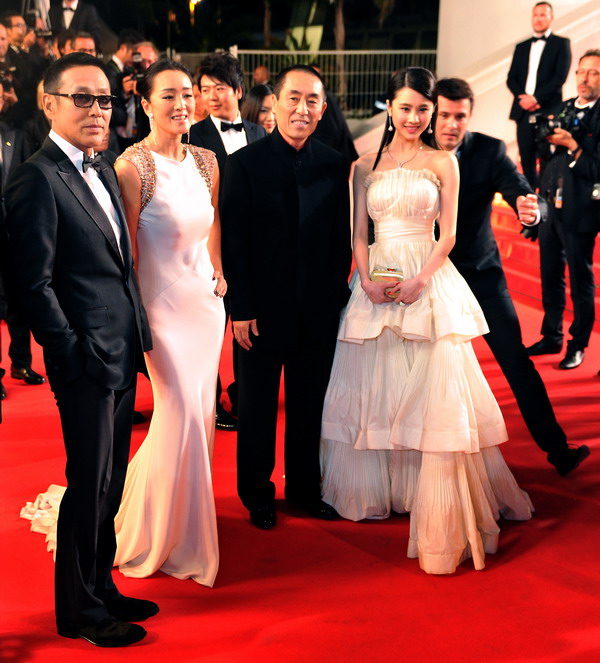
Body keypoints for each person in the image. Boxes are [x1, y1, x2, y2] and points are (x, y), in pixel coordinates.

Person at [320, 67, 533, 575]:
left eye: (423, 109)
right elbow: (358, 233)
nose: (414, 117)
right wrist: (365, 278)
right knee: (377, 380)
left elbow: (449, 233)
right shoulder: (364, 165)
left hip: (428, 276)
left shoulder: (443, 161)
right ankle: (386, 488)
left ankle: (429, 492)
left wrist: (420, 280)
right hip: (375, 279)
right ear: (389, 108)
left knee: (433, 384)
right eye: (405, 107)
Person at [4, 52, 156, 647]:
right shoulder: (36, 178)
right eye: (83, 98)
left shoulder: (104, 168)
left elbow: (118, 265)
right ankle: (79, 612)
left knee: (111, 482)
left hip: (120, 350)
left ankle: (102, 587)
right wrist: (69, 352)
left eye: (105, 99)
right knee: (87, 483)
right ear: (49, 104)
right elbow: (32, 283)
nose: (98, 110)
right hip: (85, 358)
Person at [434, 77, 589, 476]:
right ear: (433, 113)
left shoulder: (488, 150)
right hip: (428, 280)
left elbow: (519, 186)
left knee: (516, 362)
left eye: (460, 117)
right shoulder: (414, 150)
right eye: (444, 115)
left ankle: (559, 450)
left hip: (481, 274)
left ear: (469, 116)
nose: (451, 124)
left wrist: (528, 206)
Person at [221, 64, 351, 530]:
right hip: (259, 311)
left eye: (312, 100)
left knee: (308, 405)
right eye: (293, 98)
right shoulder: (244, 163)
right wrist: (241, 307)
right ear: (274, 103)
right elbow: (233, 241)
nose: (302, 108)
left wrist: (335, 296)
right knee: (256, 408)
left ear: (323, 108)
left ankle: (304, 489)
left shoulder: (335, 164)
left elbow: (340, 239)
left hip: (317, 310)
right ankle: (257, 493)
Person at [112, 60, 226, 586]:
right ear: (146, 103)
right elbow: (127, 249)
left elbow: (214, 222)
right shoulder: (132, 166)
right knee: (177, 410)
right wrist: (135, 313)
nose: (182, 104)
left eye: (187, 94)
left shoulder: (207, 161)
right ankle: (158, 529)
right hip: (159, 309)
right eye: (169, 96)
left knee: (201, 415)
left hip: (205, 306)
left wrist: (219, 270)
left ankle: (187, 520)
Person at [190, 52, 266, 431]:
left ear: (238, 90)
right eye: (204, 90)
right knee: (209, 332)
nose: (211, 97)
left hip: (254, 251)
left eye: (219, 88)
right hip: (211, 248)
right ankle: (210, 403)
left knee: (250, 330)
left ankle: (243, 396)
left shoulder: (260, 133)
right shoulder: (192, 136)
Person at [527, 49, 600, 370]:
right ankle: (551, 335)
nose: (585, 78)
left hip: (581, 210)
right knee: (550, 275)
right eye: (581, 72)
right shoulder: (565, 108)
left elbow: (597, 169)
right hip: (549, 205)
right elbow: (544, 153)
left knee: (580, 281)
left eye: (594, 73)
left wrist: (573, 145)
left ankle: (578, 344)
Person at [506, 2, 571, 189]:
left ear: (551, 17)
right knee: (526, 157)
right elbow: (511, 78)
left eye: (543, 15)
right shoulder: (521, 46)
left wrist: (535, 99)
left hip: (548, 109)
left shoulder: (561, 43)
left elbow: (560, 77)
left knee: (547, 157)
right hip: (523, 111)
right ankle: (530, 195)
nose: (538, 19)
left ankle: (545, 196)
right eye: (535, 15)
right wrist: (523, 98)